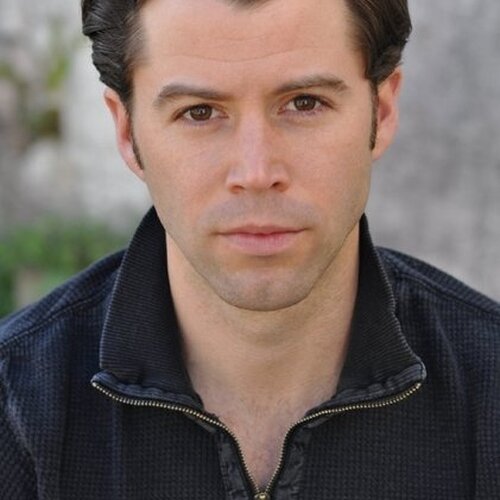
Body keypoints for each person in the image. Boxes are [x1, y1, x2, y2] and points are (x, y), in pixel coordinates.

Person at [1, 0, 499, 498]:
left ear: (382, 112)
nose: (257, 172)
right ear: (128, 133)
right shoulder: (15, 406)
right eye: (199, 112)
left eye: (305, 103)